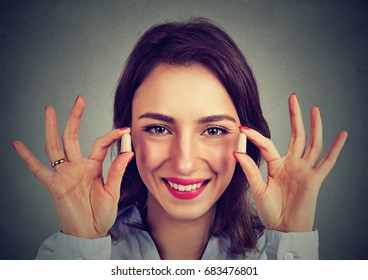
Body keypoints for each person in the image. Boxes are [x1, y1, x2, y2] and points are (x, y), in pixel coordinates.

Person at [11, 18, 348, 260]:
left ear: (246, 139)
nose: (185, 162)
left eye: (213, 130)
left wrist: (291, 238)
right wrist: (82, 244)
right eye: (159, 129)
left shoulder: (280, 257)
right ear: (127, 135)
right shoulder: (77, 254)